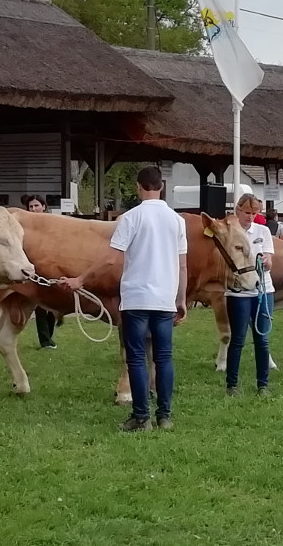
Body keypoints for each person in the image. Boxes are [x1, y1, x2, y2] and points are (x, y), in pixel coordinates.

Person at [58, 166, 187, 432]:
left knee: (137, 358)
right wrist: (181, 299)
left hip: (137, 298)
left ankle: (141, 416)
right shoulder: (177, 220)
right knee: (164, 358)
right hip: (164, 299)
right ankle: (165, 415)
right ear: (161, 186)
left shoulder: (131, 217)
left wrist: (80, 280)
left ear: (139, 187)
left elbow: (110, 258)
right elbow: (183, 265)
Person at [225, 194, 275, 397]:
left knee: (262, 339)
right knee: (238, 339)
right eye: (247, 212)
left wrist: (266, 262)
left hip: (263, 290)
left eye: (255, 213)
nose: (251, 217)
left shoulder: (263, 231)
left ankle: (263, 384)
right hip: (238, 292)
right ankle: (232, 385)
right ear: (238, 210)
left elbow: (270, 261)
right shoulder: (230, 232)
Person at [24, 194, 59, 350]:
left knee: (53, 306)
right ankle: (44, 340)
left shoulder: (53, 224)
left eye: (36, 206)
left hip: (52, 267)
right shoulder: (26, 227)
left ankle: (49, 337)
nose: (34, 209)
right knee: (40, 306)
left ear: (44, 207)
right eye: (31, 207)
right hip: (35, 270)